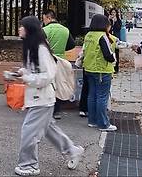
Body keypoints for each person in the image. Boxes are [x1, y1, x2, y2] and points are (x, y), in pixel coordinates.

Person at [11, 16, 84, 177]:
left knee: (29, 132)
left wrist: (27, 77)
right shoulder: (32, 47)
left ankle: (30, 165)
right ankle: (72, 150)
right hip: (40, 98)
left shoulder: (40, 48)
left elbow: (48, 75)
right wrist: (22, 73)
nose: (19, 29)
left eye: (21, 26)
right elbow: (36, 71)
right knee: (49, 129)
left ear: (29, 29)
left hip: (42, 99)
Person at [82, 14, 116, 131]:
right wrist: (114, 59)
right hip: (101, 70)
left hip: (89, 69)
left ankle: (92, 121)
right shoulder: (103, 36)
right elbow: (108, 54)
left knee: (92, 95)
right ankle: (103, 124)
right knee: (102, 97)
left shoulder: (88, 35)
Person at [42, 10, 75, 120]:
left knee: (48, 85)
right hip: (61, 60)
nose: (44, 22)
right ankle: (57, 110)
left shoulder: (44, 30)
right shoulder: (65, 30)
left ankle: (47, 109)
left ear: (49, 18)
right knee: (59, 85)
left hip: (47, 60)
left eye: (44, 19)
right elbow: (72, 44)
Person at [108, 8, 122, 73]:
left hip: (116, 38)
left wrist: (115, 21)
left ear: (116, 13)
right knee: (109, 51)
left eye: (114, 12)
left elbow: (118, 28)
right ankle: (110, 67)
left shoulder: (118, 20)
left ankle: (116, 68)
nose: (113, 14)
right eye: (112, 13)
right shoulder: (109, 20)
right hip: (109, 38)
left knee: (116, 53)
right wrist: (109, 20)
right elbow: (107, 27)